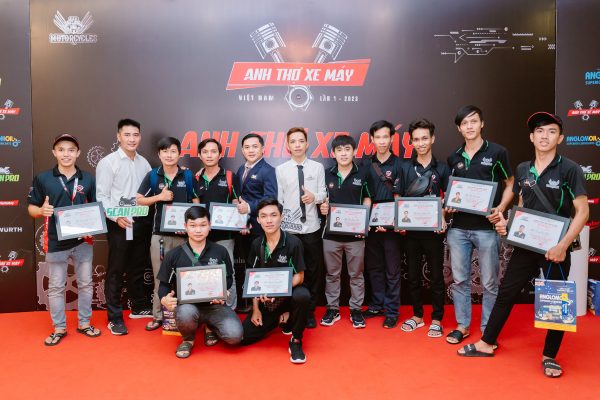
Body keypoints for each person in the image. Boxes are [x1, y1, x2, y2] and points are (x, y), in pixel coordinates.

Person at [457, 112, 589, 378]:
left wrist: (563, 246)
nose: (544, 136)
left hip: (555, 250)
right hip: (526, 246)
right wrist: (508, 225)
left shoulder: (570, 169)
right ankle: (486, 343)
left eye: (551, 131)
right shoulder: (522, 169)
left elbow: (583, 212)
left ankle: (549, 356)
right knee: (506, 292)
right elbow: (521, 204)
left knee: (556, 301)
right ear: (531, 137)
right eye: (539, 131)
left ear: (560, 138)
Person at [444, 105, 515, 345]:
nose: (470, 126)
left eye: (473, 121)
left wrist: (501, 208)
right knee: (460, 280)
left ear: (482, 124)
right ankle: (462, 326)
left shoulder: (497, 152)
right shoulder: (453, 157)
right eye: (464, 123)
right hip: (458, 229)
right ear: (459, 128)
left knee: (490, 283)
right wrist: (449, 205)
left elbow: (510, 183)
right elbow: (452, 191)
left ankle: (487, 330)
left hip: (487, 229)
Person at [28, 134, 100, 345]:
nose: (66, 154)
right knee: (56, 287)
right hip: (55, 242)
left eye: (71, 150)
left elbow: (95, 207)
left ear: (78, 153)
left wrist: (92, 228)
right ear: (54, 152)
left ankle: (84, 323)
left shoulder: (88, 178)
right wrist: (41, 210)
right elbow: (31, 208)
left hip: (82, 242)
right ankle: (59, 328)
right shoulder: (43, 178)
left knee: (85, 284)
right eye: (61, 149)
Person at [158, 206, 242, 358]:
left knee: (235, 336)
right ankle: (188, 339)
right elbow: (163, 285)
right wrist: (164, 299)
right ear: (185, 226)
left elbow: (229, 278)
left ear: (209, 226)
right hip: (188, 306)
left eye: (203, 225)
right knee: (185, 312)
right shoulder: (174, 255)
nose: (198, 230)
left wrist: (224, 290)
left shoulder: (220, 251)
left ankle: (210, 326)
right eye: (193, 225)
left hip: (215, 305)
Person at [136, 137, 201, 331]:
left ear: (179, 154)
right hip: (160, 236)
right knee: (160, 277)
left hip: (185, 237)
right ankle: (158, 316)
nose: (169, 155)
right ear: (159, 154)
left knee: (185, 278)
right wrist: (160, 197)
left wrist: (191, 226)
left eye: (173, 151)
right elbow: (139, 200)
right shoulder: (153, 175)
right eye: (165, 151)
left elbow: (196, 202)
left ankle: (184, 317)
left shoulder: (187, 176)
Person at [96, 118, 153, 335]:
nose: (132, 139)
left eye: (135, 135)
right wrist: (116, 216)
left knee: (137, 266)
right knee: (116, 270)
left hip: (141, 221)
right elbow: (102, 196)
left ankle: (138, 306)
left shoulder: (144, 163)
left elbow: (149, 191)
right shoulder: (108, 162)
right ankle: (114, 317)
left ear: (140, 137)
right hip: (119, 223)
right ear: (118, 136)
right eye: (127, 135)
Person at [241, 199, 311, 364]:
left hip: (288, 296)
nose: (269, 220)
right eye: (264, 216)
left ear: (281, 217)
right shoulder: (256, 244)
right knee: (243, 337)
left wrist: (277, 292)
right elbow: (253, 279)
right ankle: (279, 318)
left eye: (273, 215)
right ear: (258, 220)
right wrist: (256, 309)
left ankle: (296, 339)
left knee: (302, 295)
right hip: (267, 302)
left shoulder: (294, 243)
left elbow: (300, 276)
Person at [398, 119, 450, 338]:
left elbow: (447, 199)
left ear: (433, 139)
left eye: (424, 138)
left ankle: (437, 318)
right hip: (411, 233)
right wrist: (400, 221)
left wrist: (443, 218)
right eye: (416, 139)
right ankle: (417, 315)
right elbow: (399, 197)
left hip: (434, 233)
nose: (420, 143)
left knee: (436, 277)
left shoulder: (443, 168)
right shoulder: (405, 167)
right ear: (411, 142)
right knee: (412, 276)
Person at [275, 127, 327, 328]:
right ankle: (291, 310)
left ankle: (310, 312)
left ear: (307, 144)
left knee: (313, 272)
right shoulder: (281, 170)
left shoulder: (317, 167)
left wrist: (315, 197)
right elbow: (279, 200)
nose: (297, 145)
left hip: (311, 227)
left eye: (301, 141)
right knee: (292, 272)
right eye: (293, 141)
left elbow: (323, 194)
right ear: (287, 146)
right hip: (290, 230)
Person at [319, 135, 371, 329]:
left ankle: (356, 310)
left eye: (347, 149)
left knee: (356, 274)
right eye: (339, 150)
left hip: (355, 236)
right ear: (333, 153)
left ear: (354, 151)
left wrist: (364, 220)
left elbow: (367, 198)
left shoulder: (363, 173)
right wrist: (322, 206)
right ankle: (332, 309)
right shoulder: (326, 174)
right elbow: (321, 198)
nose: (343, 153)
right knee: (332, 274)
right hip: (330, 235)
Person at [362, 120, 405, 328]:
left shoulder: (400, 165)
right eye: (377, 137)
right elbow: (364, 197)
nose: (381, 141)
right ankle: (376, 305)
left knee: (392, 270)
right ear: (372, 139)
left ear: (392, 138)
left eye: (385, 137)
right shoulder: (365, 165)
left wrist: (392, 222)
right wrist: (365, 222)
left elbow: (400, 196)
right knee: (374, 268)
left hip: (392, 226)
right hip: (371, 225)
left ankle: (392, 310)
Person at [196, 138, 242, 310]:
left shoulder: (229, 176)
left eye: (213, 151)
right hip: (200, 236)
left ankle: (230, 309)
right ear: (199, 155)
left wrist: (241, 219)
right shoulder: (195, 178)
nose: (209, 155)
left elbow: (237, 202)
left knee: (227, 273)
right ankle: (207, 309)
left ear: (220, 154)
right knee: (203, 273)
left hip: (225, 236)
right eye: (205, 152)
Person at [235, 133, 278, 312]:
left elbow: (270, 198)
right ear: (242, 150)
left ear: (262, 149)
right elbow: (240, 197)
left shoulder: (268, 170)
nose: (251, 150)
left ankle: (264, 306)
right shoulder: (241, 169)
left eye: (255, 146)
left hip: (259, 228)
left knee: (259, 266)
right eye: (247, 147)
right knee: (245, 265)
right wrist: (242, 217)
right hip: (243, 227)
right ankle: (247, 304)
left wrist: (249, 208)